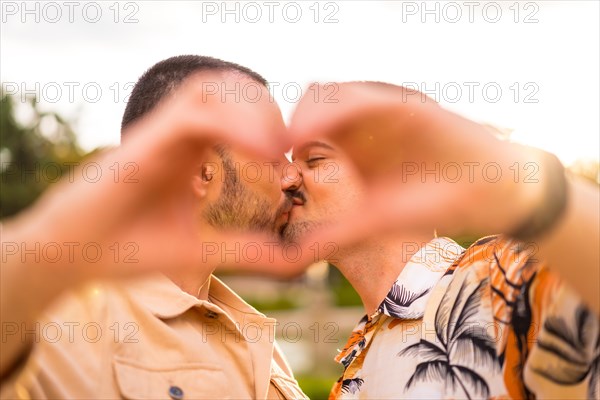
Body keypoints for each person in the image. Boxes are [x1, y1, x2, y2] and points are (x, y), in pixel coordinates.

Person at [0, 55, 307, 399]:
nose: (292, 173)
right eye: (272, 152)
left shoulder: (261, 343)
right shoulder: (70, 324)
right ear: (199, 170)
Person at [281, 81, 600, 399]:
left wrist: (515, 186)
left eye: (315, 160)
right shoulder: (352, 376)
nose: (289, 178)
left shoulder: (500, 277)